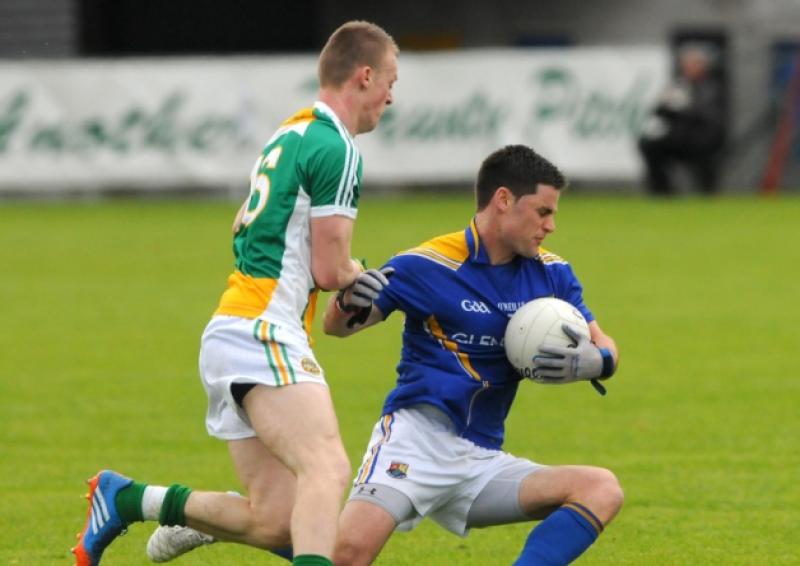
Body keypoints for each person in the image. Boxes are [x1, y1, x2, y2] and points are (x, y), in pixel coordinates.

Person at [71, 20, 398, 566]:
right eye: (390, 81)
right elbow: (330, 266)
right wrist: (367, 274)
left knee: (275, 519)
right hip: (263, 329)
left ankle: (128, 498)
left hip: (231, 330)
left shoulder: (288, 133)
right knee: (328, 467)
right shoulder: (338, 147)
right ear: (365, 76)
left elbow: (239, 225)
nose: (391, 96)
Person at [325, 145, 623, 565]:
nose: (551, 226)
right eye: (542, 212)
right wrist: (348, 300)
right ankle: (248, 517)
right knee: (347, 555)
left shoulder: (552, 274)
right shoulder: (428, 264)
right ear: (503, 200)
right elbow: (337, 327)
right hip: (414, 443)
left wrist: (600, 362)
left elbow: (605, 343)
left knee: (602, 488)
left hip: (481, 459)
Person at [638, 43, 726, 196]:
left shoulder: (711, 87)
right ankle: (663, 193)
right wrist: (666, 104)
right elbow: (658, 113)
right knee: (648, 145)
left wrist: (683, 108)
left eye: (693, 64)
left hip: (701, 139)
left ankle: (707, 194)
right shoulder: (679, 85)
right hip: (679, 137)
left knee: (704, 156)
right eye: (686, 64)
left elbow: (706, 117)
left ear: (702, 66)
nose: (688, 68)